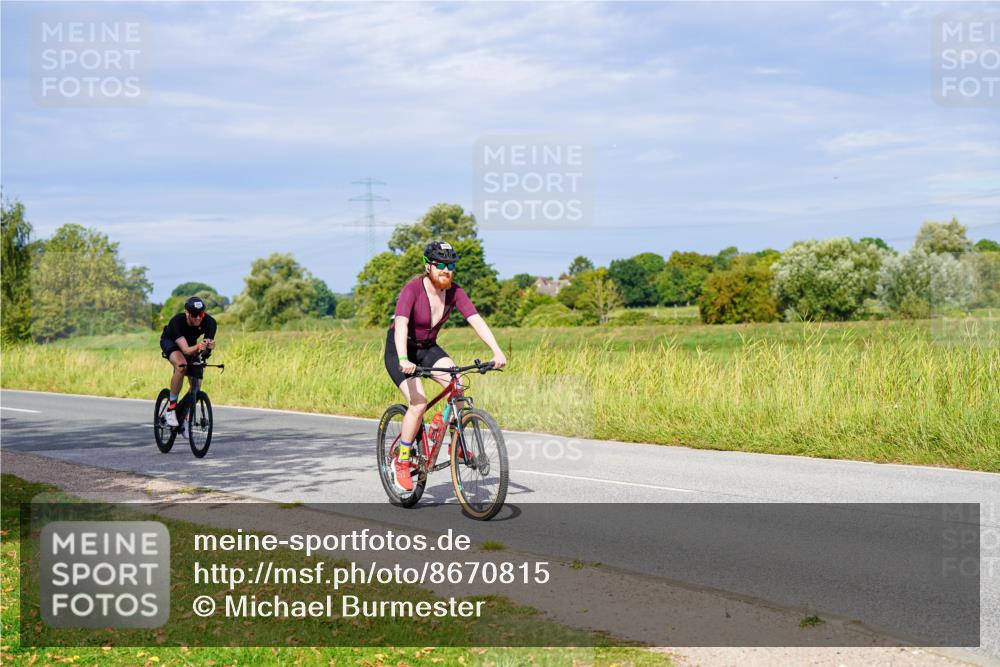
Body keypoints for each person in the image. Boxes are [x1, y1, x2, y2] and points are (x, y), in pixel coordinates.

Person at [385, 241, 507, 491]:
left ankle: (457, 444)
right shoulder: (412, 290)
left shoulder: (455, 292)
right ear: (428, 266)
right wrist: (403, 360)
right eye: (440, 265)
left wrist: (497, 351)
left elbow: (476, 320)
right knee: (418, 404)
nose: (446, 270)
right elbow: (401, 325)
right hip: (401, 349)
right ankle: (403, 460)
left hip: (428, 347)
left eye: (451, 265)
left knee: (458, 384)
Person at [160, 296, 217, 430]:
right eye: (194, 314)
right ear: (187, 313)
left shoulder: (210, 323)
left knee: (196, 385)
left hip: (191, 344)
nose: (198, 318)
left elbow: (204, 354)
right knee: (181, 365)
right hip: (171, 342)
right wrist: (198, 347)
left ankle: (184, 415)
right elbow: (185, 350)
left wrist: (208, 349)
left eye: (201, 314)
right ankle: (171, 409)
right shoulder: (177, 322)